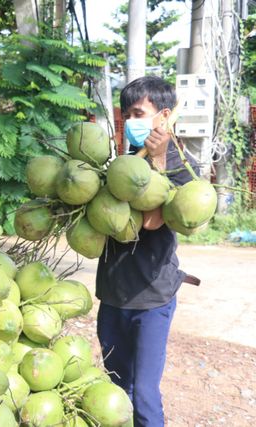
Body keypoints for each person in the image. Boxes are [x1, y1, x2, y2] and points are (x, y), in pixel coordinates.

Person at [96, 76, 199, 427]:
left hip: (151, 298)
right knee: (116, 386)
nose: (131, 121)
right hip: (112, 294)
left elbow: (153, 220)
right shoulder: (120, 165)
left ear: (164, 116)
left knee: (143, 394)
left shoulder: (183, 169)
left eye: (139, 112)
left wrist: (156, 160)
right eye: (127, 114)